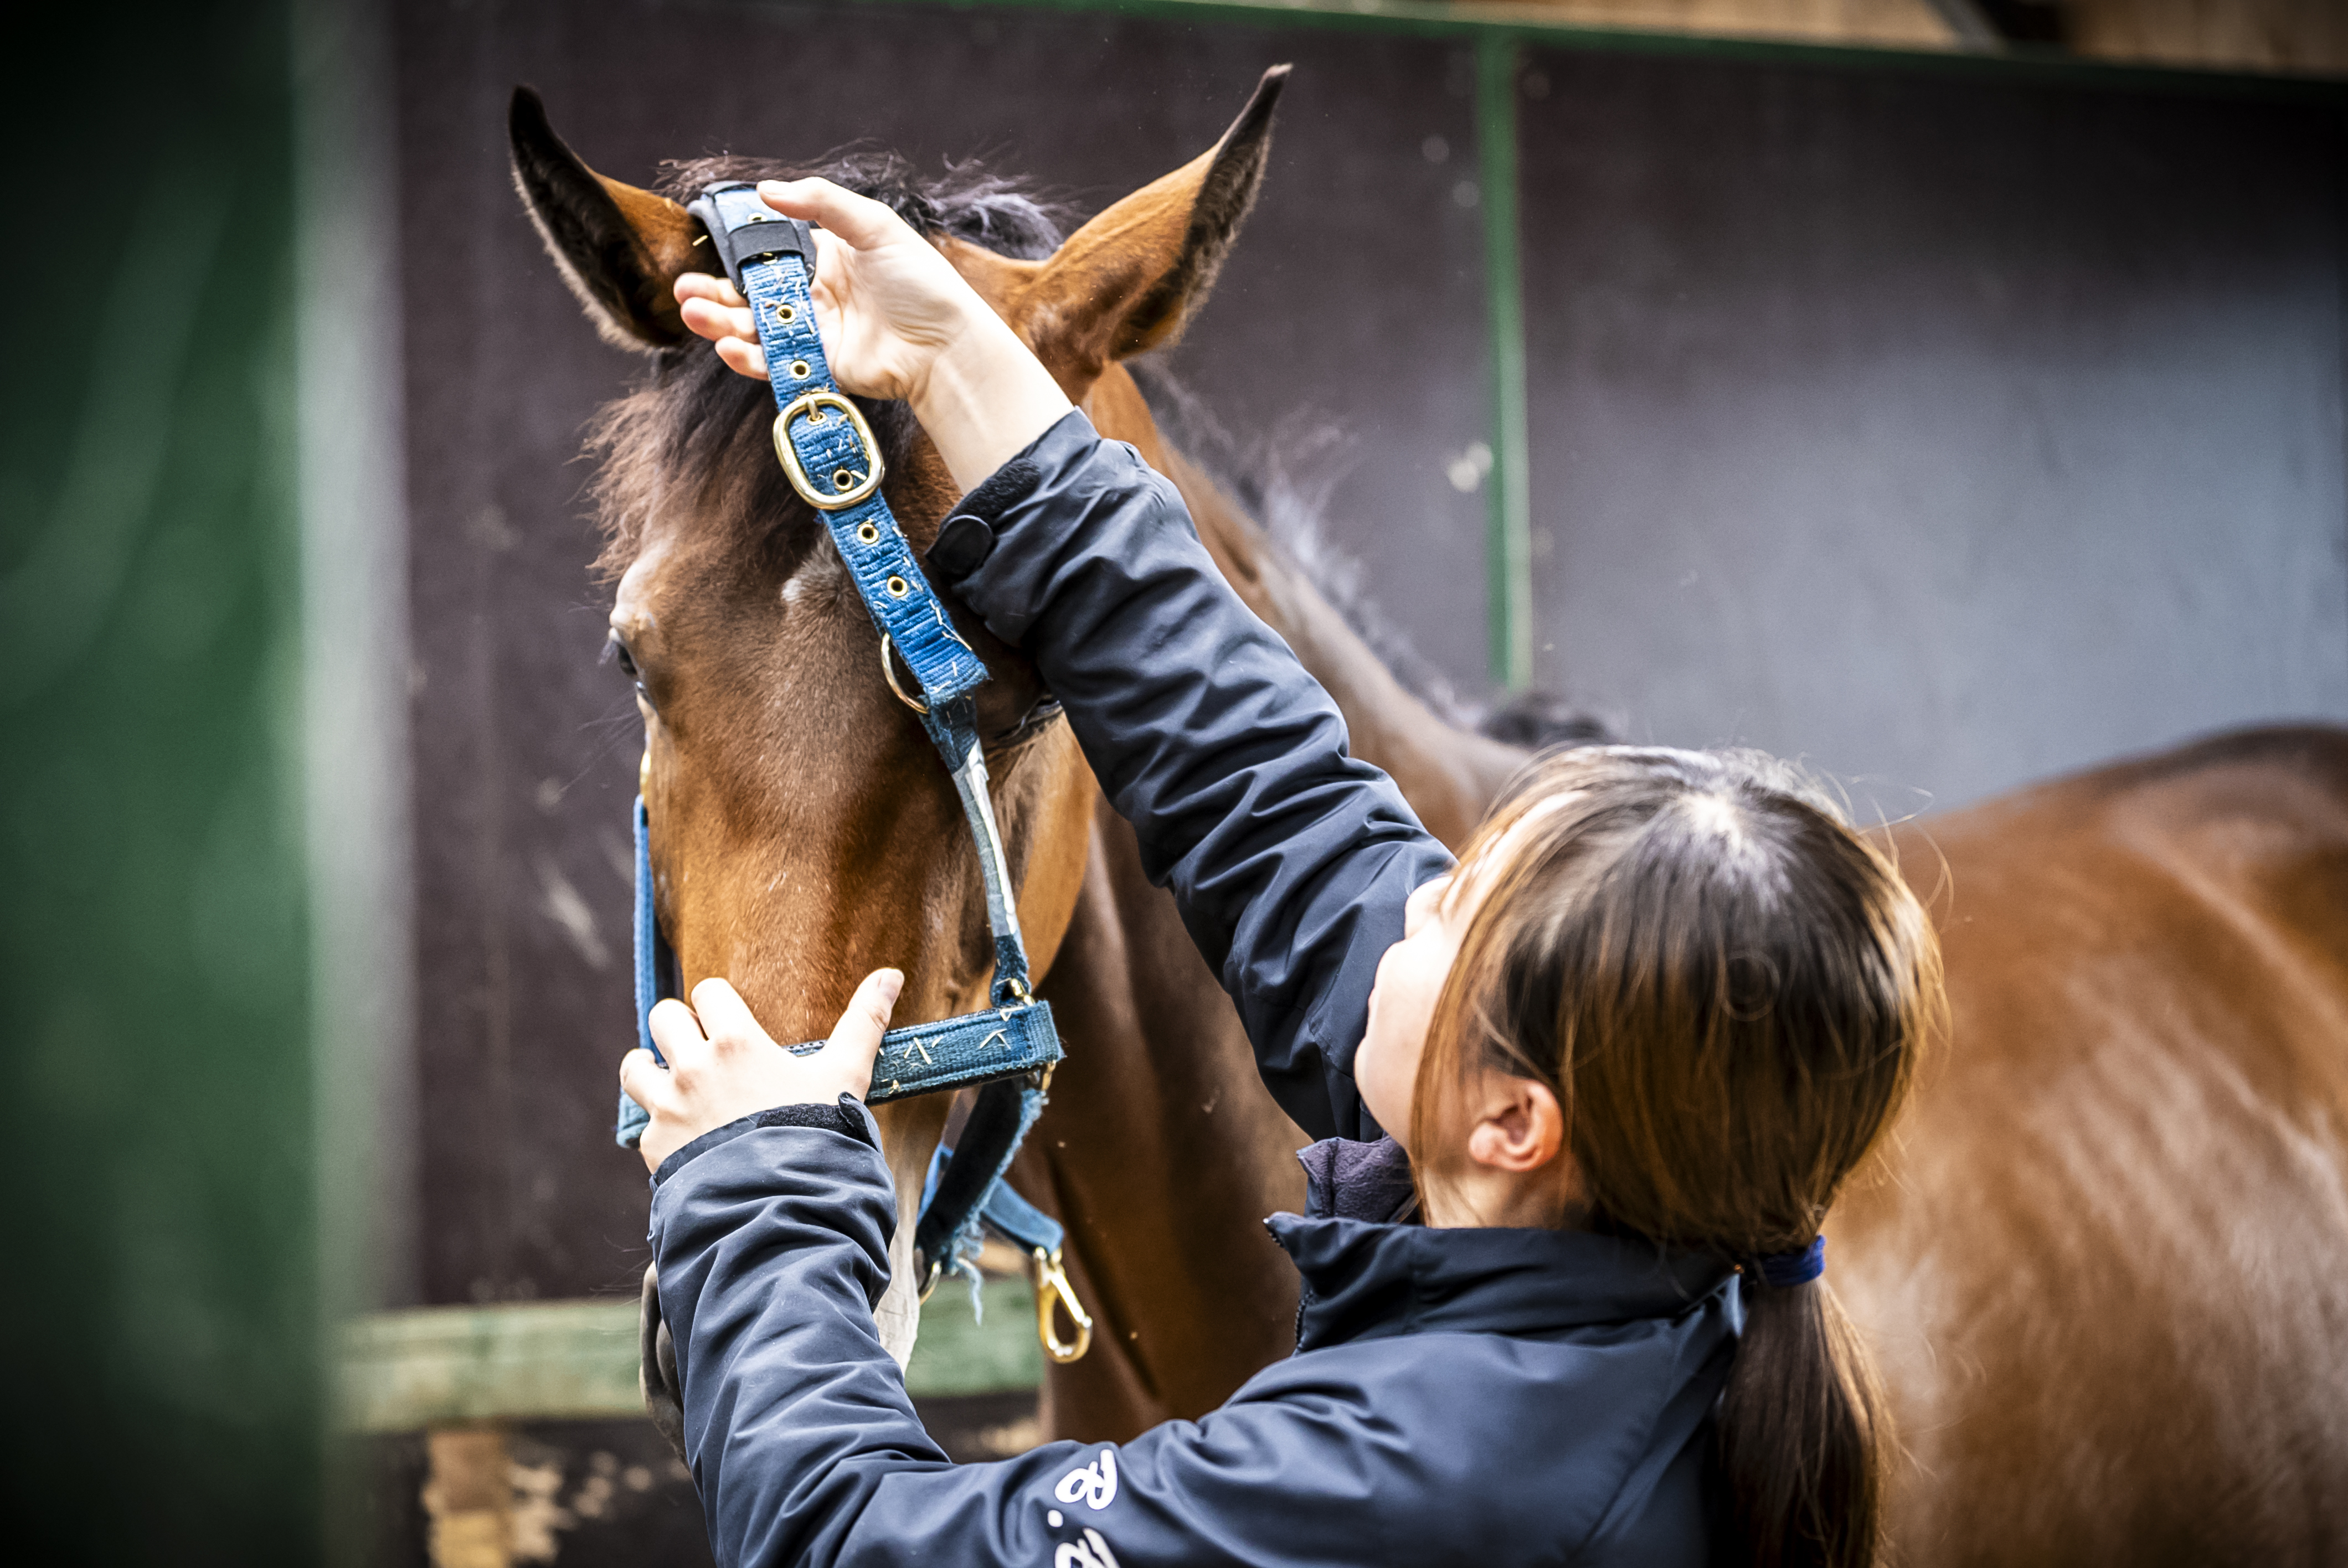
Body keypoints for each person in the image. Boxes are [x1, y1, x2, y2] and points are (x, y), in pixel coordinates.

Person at [619, 176, 1942, 1568]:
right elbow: (1265, 790)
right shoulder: (1618, 1258)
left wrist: (760, 1185)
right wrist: (955, 356)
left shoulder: (1415, 1489)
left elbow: (847, 1545)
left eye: (1444, 905)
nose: (1402, 899)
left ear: (1512, 1123)